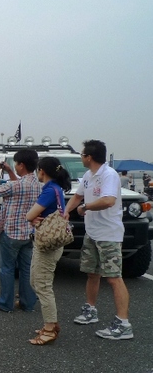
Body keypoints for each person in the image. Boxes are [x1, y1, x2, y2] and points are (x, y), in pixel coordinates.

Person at [64, 140, 133, 340]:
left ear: (89, 157)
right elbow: (77, 197)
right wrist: (66, 213)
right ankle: (90, 310)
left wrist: (85, 208)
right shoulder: (88, 175)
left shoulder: (108, 175)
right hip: (92, 233)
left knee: (113, 278)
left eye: (82, 155)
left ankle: (123, 324)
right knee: (92, 274)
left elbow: (108, 200)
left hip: (108, 235)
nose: (81, 157)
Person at [25, 157, 71, 345]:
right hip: (51, 242)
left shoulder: (49, 191)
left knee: (42, 285)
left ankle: (50, 328)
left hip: (47, 244)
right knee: (35, 281)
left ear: (42, 171)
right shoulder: (57, 189)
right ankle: (51, 322)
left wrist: (32, 218)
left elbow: (30, 214)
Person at [0, 149, 41, 312]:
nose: (15, 167)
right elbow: (17, 185)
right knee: (26, 270)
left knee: (7, 269)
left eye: (16, 164)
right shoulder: (37, 184)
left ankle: (5, 303)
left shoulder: (15, 185)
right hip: (29, 233)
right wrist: (10, 171)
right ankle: (27, 303)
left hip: (11, 232)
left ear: (22, 165)